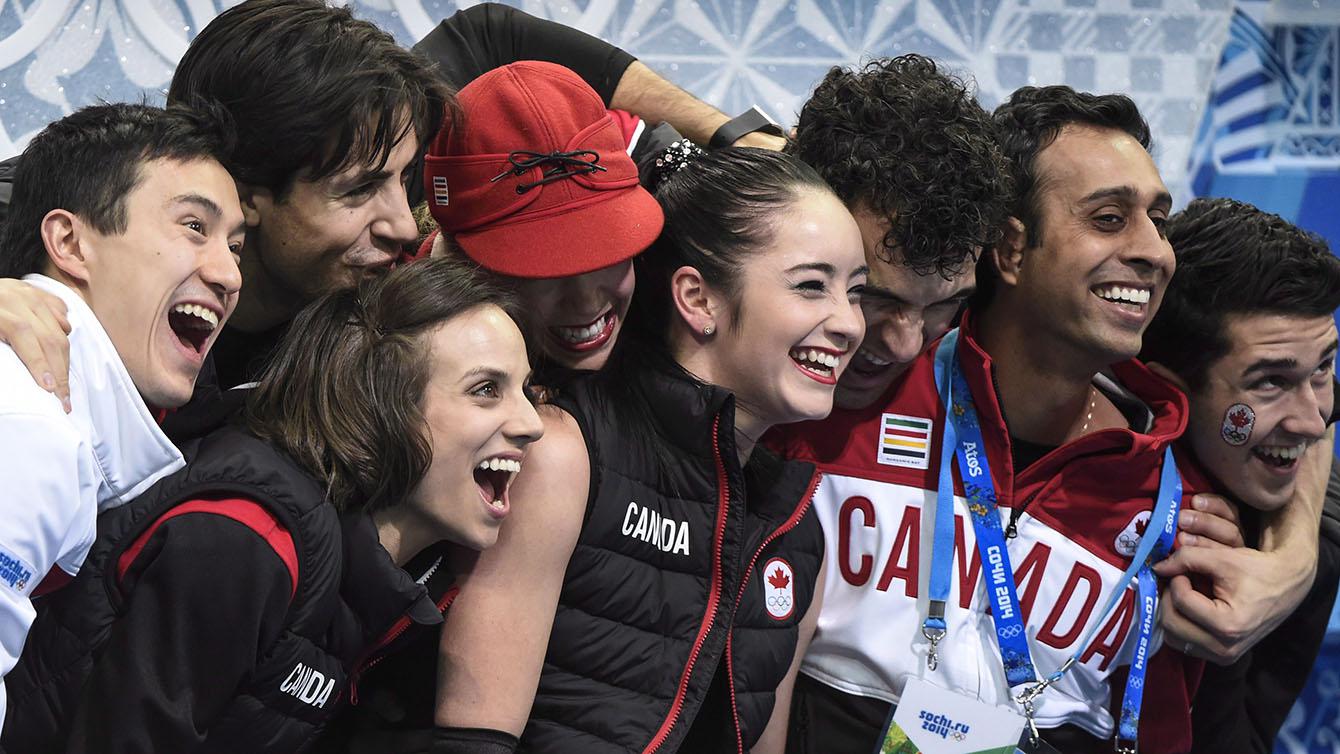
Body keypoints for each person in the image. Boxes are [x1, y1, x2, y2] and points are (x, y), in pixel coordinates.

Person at [374, 147, 864, 754]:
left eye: (856, 293)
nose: (849, 323)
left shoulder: (799, 526)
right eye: (812, 287)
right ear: (699, 299)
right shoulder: (560, 450)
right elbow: (473, 739)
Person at [770, 86, 1207, 753]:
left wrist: (1298, 547)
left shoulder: (1175, 492)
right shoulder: (838, 389)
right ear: (1009, 247)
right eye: (1110, 218)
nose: (1156, 251)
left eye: (1160, 221)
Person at [3, 256, 545, 753]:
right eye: (485, 390)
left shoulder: (367, 576)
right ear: (382, 407)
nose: (531, 425)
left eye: (528, 390)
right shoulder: (248, 536)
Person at [0, 102, 243, 734]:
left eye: (235, 246)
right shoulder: (32, 420)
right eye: (194, 226)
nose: (228, 273)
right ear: (71, 243)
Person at [1139, 197, 1340, 752]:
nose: (1312, 419)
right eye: (1270, 382)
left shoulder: (1311, 550)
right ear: (1167, 390)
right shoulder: (1066, 455)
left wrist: (1285, 569)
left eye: (1323, 366)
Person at [421, 61, 664, 375]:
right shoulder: (403, 363)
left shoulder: (677, 291)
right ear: (459, 262)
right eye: (545, 270)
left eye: (609, 252)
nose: (587, 303)